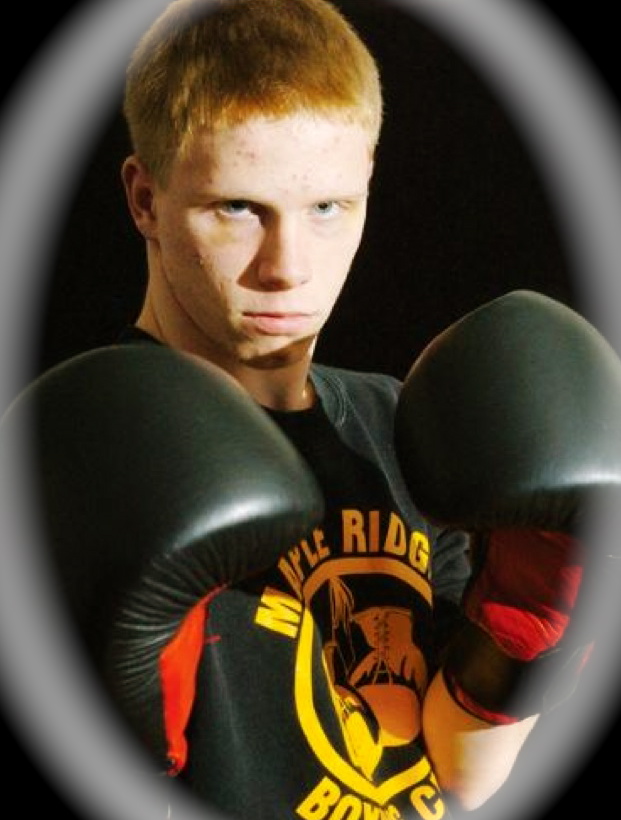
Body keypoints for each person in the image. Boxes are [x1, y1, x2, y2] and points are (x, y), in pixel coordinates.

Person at [15, 1, 615, 818]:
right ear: (144, 199)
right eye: (237, 208)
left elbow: (460, 774)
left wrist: (545, 590)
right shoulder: (82, 454)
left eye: (328, 208)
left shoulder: (401, 428)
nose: (288, 267)